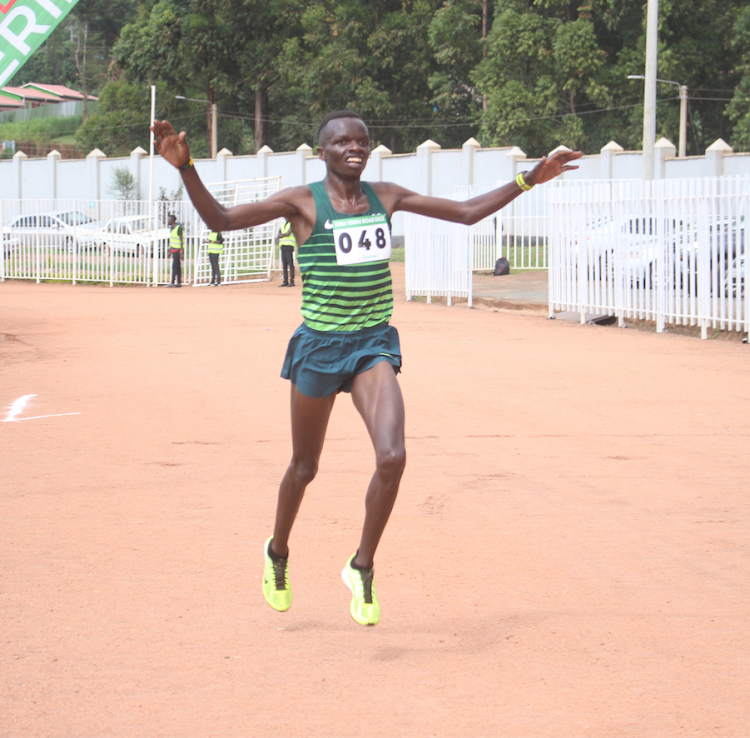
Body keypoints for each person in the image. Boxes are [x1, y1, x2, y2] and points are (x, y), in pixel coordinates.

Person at [151, 111, 581, 626]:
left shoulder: (387, 196)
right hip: (318, 348)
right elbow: (221, 220)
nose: (353, 148)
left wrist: (529, 177)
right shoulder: (302, 202)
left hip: (372, 346)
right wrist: (186, 168)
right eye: (341, 142)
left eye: (361, 141)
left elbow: (466, 212)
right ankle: (278, 551)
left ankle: (361, 565)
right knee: (304, 468)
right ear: (323, 151)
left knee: (393, 456)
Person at [167, 214, 184, 287]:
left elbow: (181, 239)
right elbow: (172, 240)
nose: (168, 221)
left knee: (175, 266)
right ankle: (178, 282)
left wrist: (181, 251)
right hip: (173, 249)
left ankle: (172, 282)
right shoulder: (171, 228)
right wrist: (170, 250)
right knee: (177, 266)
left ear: (173, 220)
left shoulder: (178, 228)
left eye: (169, 220)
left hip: (177, 249)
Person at [278, 219, 296, 287]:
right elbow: (278, 235)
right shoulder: (282, 225)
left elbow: (288, 234)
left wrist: (283, 234)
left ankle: (292, 281)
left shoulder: (292, 224)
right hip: (283, 246)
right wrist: (285, 234)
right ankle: (285, 281)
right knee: (284, 265)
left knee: (290, 265)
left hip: (289, 246)